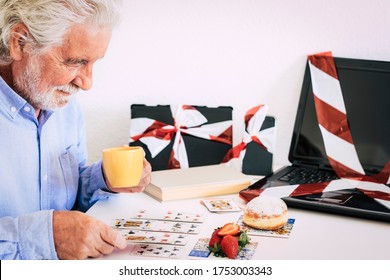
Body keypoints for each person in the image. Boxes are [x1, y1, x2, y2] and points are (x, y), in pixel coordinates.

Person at [0, 0, 151, 260]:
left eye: (94, 62)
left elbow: (64, 198)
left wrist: (104, 178)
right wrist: (47, 237)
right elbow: (53, 232)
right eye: (74, 62)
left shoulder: (65, 105)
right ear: (20, 42)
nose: (87, 82)